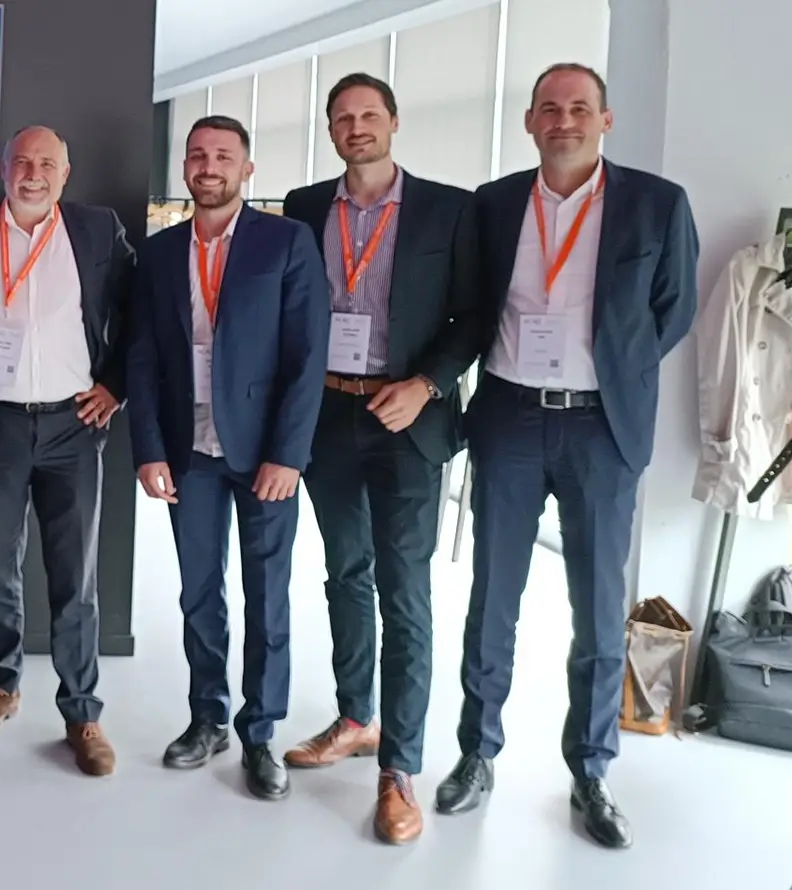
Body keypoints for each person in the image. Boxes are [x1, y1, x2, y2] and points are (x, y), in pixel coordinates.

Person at [436, 63, 698, 850]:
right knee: (493, 599)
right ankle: (477, 752)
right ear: (529, 121)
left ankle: (591, 769)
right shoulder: (492, 205)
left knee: (598, 606)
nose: (564, 120)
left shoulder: (657, 204)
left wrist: (610, 371)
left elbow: (673, 309)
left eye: (580, 107)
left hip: (601, 430)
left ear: (604, 120)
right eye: (549, 108)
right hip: (509, 420)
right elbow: (471, 304)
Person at [277, 73, 482, 844]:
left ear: (394, 122)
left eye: (369, 114)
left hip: (407, 417)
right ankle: (356, 717)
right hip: (328, 413)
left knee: (404, 589)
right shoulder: (304, 207)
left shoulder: (447, 208)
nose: (356, 126)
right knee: (344, 573)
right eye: (343, 117)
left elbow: (474, 315)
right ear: (331, 130)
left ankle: (400, 768)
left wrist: (426, 386)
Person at [128, 115, 329, 802]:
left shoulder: (286, 241)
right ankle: (208, 717)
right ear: (185, 167)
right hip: (189, 451)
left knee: (267, 595)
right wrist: (149, 449)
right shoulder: (159, 252)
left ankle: (261, 731)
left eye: (222, 155)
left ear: (247, 168)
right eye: (197, 155)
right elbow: (143, 358)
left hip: (263, 453)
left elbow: (307, 355)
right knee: (198, 593)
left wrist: (288, 455)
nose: (208, 166)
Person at [0, 125, 132, 776]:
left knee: (75, 576)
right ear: (3, 170)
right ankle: (0, 687)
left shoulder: (97, 230)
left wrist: (118, 386)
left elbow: (140, 311)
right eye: (22, 162)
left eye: (47, 163)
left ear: (65, 174)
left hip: (73, 424)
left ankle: (82, 710)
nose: (33, 173)